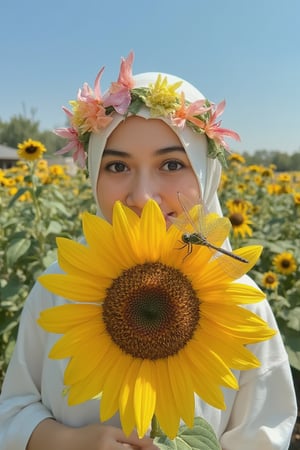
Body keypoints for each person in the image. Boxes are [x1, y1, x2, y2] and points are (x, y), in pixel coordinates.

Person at [0, 51, 297, 450]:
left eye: (172, 165)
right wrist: (65, 441)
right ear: (93, 177)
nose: (143, 197)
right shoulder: (59, 288)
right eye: (117, 167)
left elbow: (265, 433)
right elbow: (13, 409)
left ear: (206, 177)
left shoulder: (241, 305)